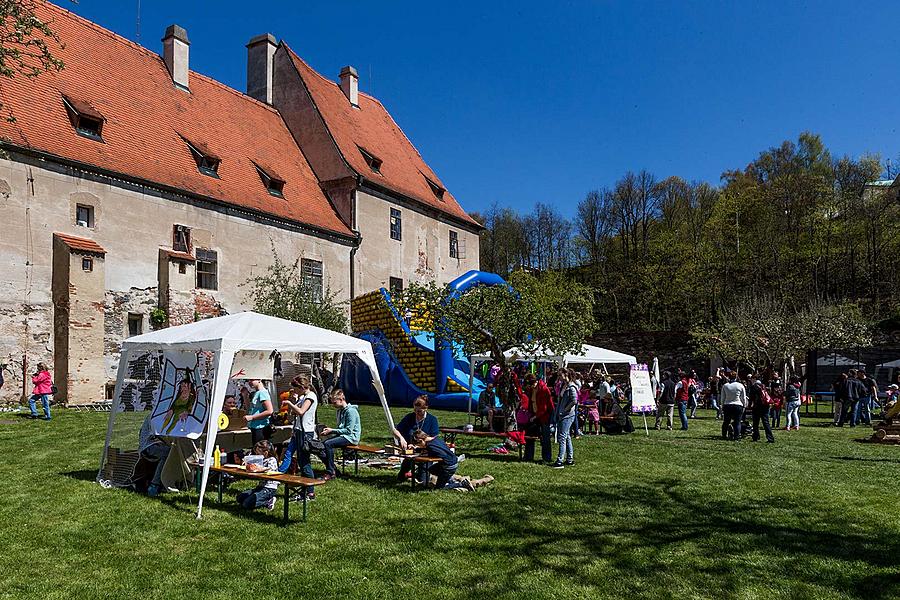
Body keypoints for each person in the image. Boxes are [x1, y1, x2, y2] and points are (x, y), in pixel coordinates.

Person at [278, 375, 318, 500]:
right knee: (288, 452)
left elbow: (301, 412)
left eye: (295, 389)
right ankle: (278, 475)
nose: (293, 391)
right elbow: (292, 414)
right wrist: (293, 402)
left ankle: (310, 492)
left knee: (304, 462)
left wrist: (290, 403)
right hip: (298, 431)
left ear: (301, 387)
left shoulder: (310, 396)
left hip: (305, 433)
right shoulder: (303, 397)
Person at [392, 395, 439, 480]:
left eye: (419, 411)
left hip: (426, 453)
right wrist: (401, 438)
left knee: (423, 480)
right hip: (410, 452)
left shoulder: (432, 420)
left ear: (426, 408)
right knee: (401, 477)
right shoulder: (410, 417)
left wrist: (419, 445)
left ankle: (425, 474)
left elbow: (433, 438)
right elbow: (396, 430)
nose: (417, 413)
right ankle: (409, 473)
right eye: (415, 410)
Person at [320, 389, 360, 481]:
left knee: (328, 444)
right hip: (343, 436)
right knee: (321, 445)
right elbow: (341, 428)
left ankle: (331, 472)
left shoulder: (351, 411)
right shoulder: (340, 411)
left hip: (351, 437)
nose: (333, 405)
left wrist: (332, 430)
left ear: (341, 400)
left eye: (334, 403)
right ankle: (332, 468)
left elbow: (348, 430)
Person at [236, 440, 279, 511]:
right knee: (240, 498)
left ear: (265, 453)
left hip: (269, 488)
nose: (256, 455)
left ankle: (267, 501)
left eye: (258, 453)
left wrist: (258, 469)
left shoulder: (272, 460)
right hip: (260, 487)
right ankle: (255, 499)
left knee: (246, 504)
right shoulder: (261, 460)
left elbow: (270, 469)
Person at [523, 374, 555, 463]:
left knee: (545, 437)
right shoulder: (532, 389)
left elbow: (544, 408)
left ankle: (547, 458)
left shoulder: (543, 390)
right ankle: (528, 456)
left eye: (530, 384)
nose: (529, 387)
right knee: (529, 434)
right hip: (534, 414)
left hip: (545, 416)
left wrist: (534, 417)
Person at [138, 412, 170, 496]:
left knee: (172, 451)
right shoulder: (156, 415)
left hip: (155, 444)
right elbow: (162, 435)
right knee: (168, 453)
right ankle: (154, 484)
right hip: (148, 446)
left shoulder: (162, 414)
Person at [551, 369, 578, 469]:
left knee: (562, 437)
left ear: (566, 374)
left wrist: (565, 410)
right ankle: (570, 459)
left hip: (567, 415)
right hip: (561, 414)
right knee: (566, 436)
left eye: (560, 375)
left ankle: (560, 460)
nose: (559, 377)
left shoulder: (571, 387)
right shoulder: (563, 385)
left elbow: (574, 401)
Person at [245, 379, 274, 444]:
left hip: (261, 428)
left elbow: (269, 411)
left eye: (251, 380)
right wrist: (245, 396)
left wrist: (252, 417)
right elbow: (251, 409)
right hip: (255, 427)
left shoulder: (262, 392)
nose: (249, 382)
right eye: (248, 380)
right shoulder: (257, 393)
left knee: (260, 450)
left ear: (259, 379)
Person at [720, 371, 747, 441]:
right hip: (738, 404)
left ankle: (724, 435)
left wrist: (722, 406)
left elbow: (722, 397)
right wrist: (744, 406)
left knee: (726, 421)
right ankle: (736, 437)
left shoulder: (725, 385)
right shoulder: (741, 385)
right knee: (737, 422)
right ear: (736, 377)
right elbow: (743, 397)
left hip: (727, 404)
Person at [748, 375, 775, 443]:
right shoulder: (763, 386)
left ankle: (756, 436)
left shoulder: (754, 387)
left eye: (752, 379)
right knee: (766, 422)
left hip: (757, 406)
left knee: (756, 422)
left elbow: (751, 397)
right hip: (765, 406)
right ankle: (770, 438)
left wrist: (749, 405)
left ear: (754, 379)